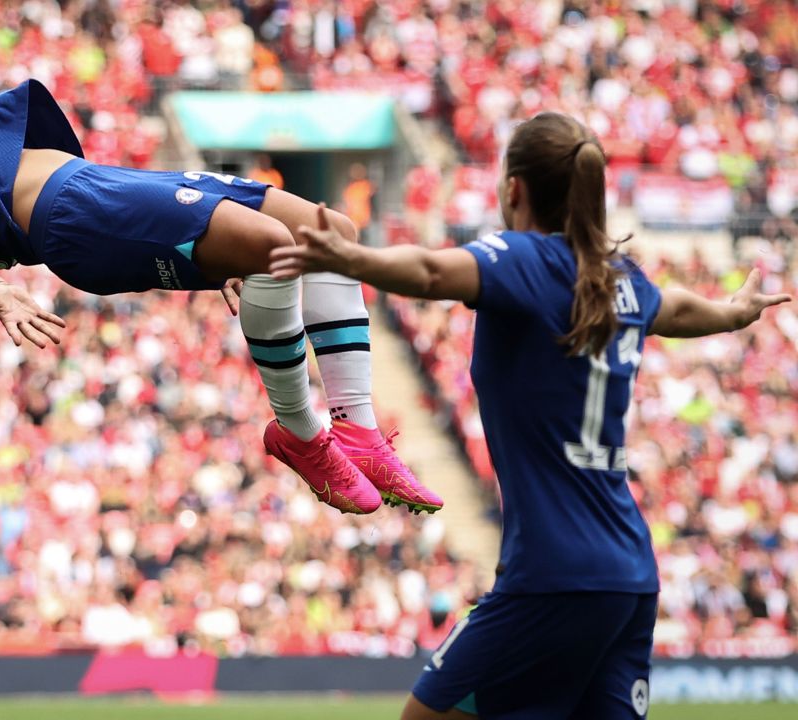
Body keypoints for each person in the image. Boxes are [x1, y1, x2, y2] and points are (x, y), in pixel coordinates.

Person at [269, 112, 791, 719]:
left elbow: (436, 272)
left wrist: (350, 260)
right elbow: (672, 309)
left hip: (553, 572)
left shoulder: (527, 261)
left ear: (513, 189)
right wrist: (731, 314)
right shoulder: (617, 280)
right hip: (629, 574)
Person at [0, 79, 442, 516]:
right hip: (76, 211)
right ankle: (303, 434)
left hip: (94, 190)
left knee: (331, 235)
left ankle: (355, 428)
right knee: (275, 247)